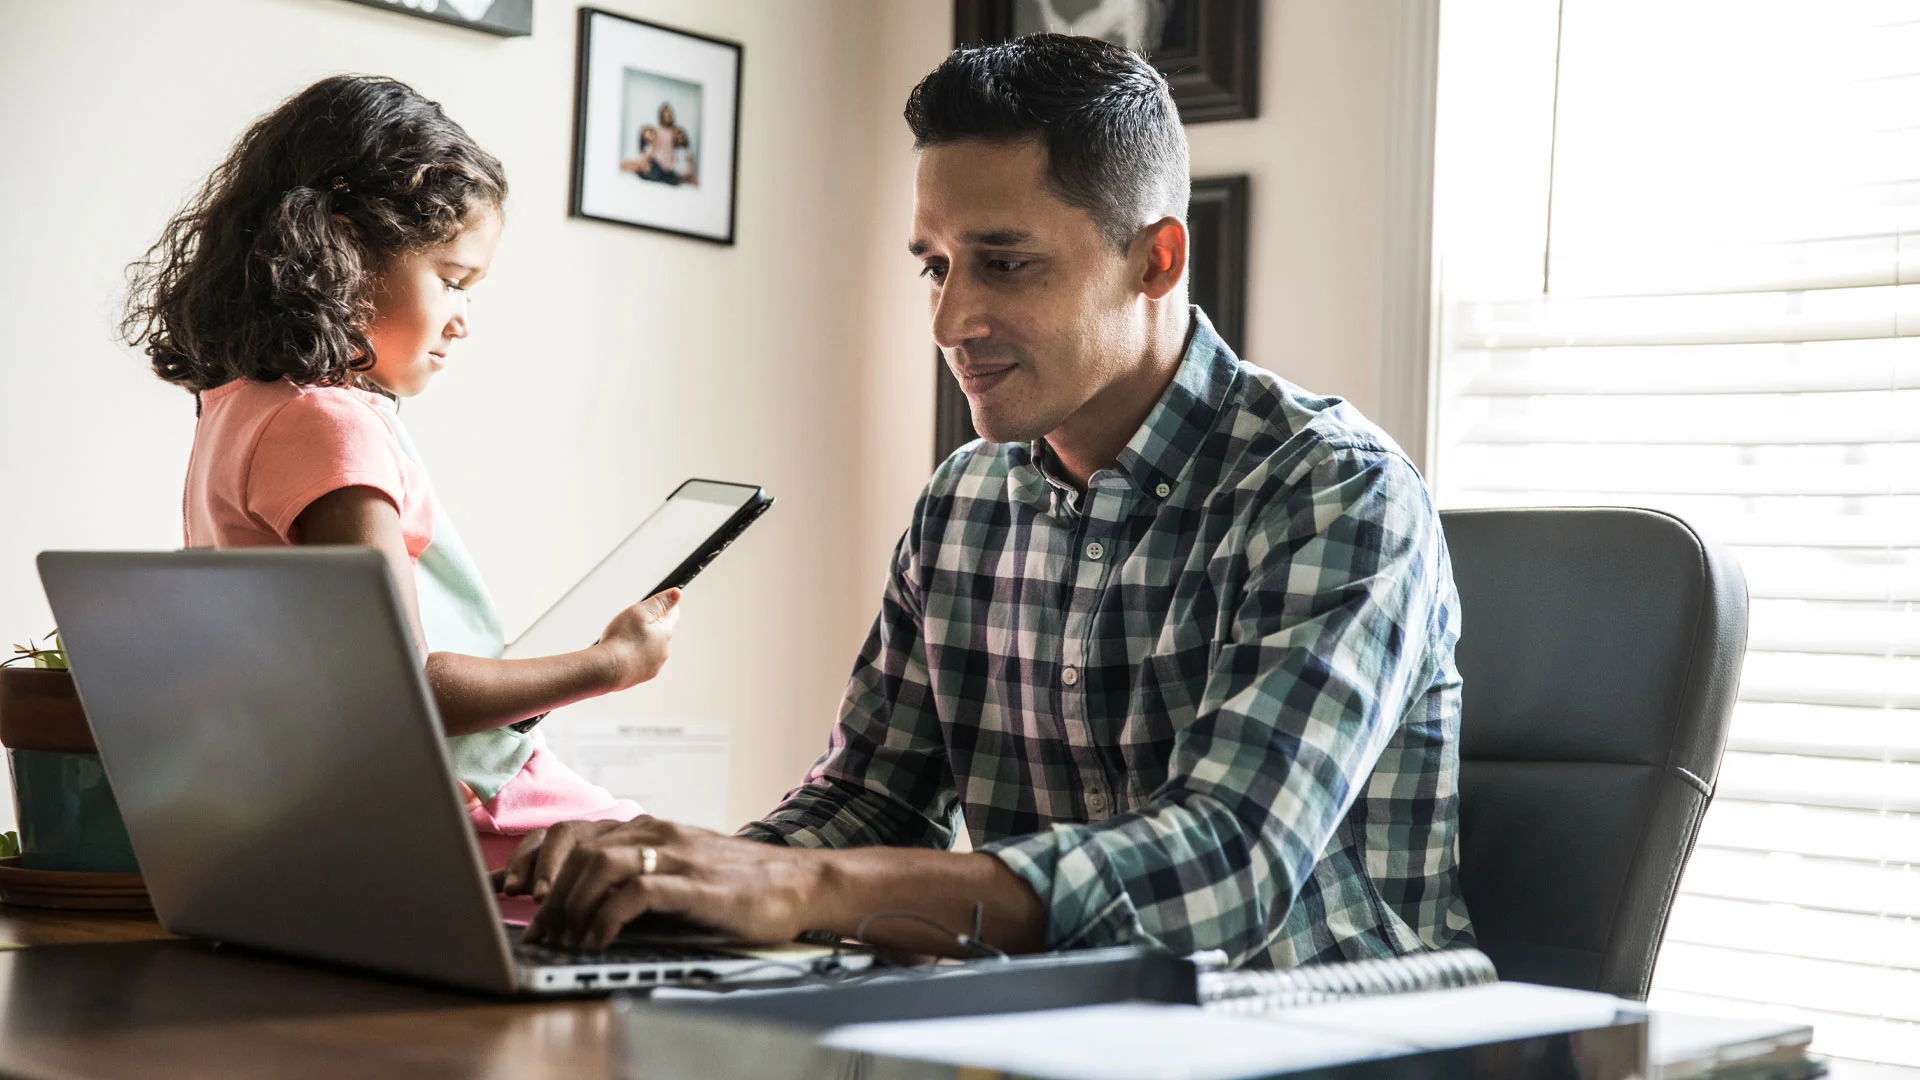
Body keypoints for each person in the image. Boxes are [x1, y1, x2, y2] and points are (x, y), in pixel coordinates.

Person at [507, 32, 1474, 970]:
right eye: (935, 264)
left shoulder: (1334, 488)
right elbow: (876, 800)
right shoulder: (964, 500)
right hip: (1046, 1035)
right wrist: (683, 879)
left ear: (1157, 260)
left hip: (1323, 1041)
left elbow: (1227, 869)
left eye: (1005, 263)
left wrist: (803, 892)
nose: (948, 320)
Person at [121, 75, 681, 869]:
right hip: (467, 804)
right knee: (692, 874)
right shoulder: (330, 425)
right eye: (452, 280)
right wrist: (611, 663)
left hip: (297, 814)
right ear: (343, 248)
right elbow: (400, 689)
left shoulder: (233, 409)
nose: (462, 318)